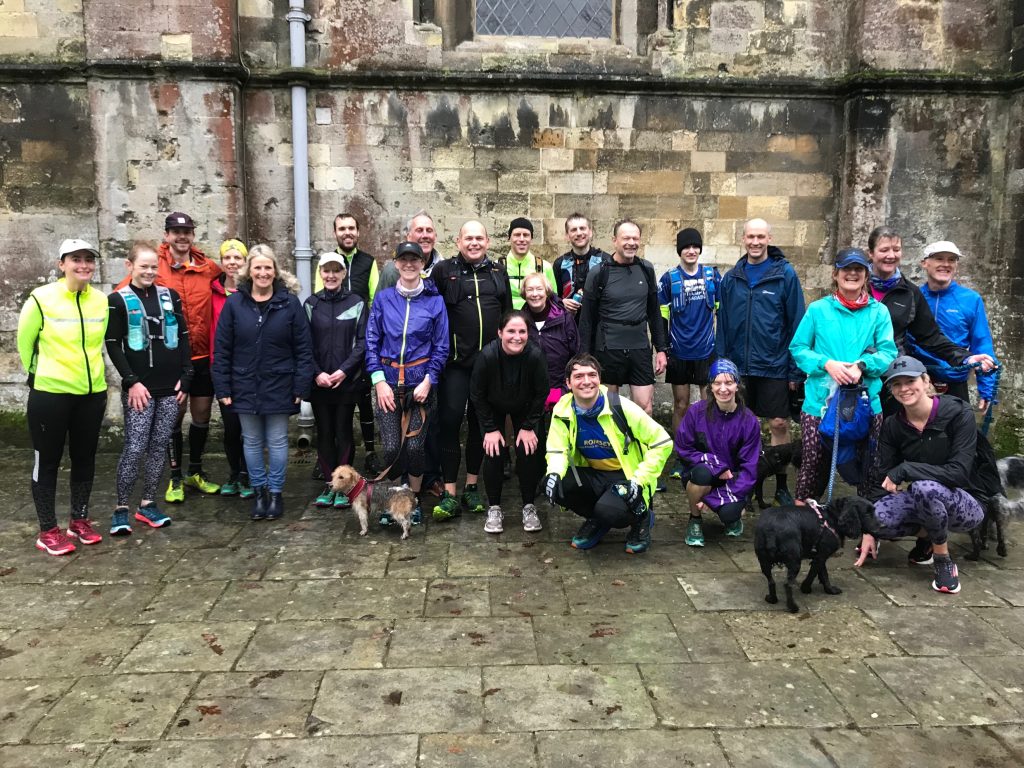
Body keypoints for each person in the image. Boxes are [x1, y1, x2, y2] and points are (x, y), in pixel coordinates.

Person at [856, 356, 986, 594]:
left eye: (911, 381)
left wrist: (906, 469)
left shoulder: (959, 413)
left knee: (923, 487)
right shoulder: (893, 425)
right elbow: (880, 477)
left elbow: (958, 474)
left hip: (966, 503)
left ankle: (943, 560)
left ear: (926, 381)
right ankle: (928, 536)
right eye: (897, 384)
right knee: (876, 519)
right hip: (925, 501)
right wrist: (869, 529)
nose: (904, 389)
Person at [18, 239, 108, 555]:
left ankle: (79, 520)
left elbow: (98, 346)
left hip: (91, 393)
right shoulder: (41, 299)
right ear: (62, 264)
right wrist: (39, 376)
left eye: (88, 260)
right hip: (51, 395)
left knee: (85, 459)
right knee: (48, 461)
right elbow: (24, 345)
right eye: (76, 260)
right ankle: (47, 530)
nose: (83, 265)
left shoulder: (100, 301)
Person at [124, 213, 223, 502]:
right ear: (167, 235)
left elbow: (227, 288)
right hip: (171, 359)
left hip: (202, 355)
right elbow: (124, 293)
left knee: (202, 414)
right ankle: (175, 476)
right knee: (174, 416)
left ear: (193, 235)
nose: (182, 236)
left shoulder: (208, 267)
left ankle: (195, 470)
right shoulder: (156, 266)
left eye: (187, 231)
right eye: (176, 231)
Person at [213, 245, 314, 521]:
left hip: (280, 382)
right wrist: (222, 387)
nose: (263, 272)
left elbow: (303, 348)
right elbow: (222, 348)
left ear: (275, 271)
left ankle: (276, 492)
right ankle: (259, 493)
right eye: (257, 267)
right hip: (243, 383)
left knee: (279, 441)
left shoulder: (289, 303)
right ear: (249, 271)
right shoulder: (235, 304)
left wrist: (300, 387)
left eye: (267, 267)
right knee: (252, 441)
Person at [789, 248, 897, 501]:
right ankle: (805, 524)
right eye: (846, 269)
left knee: (869, 466)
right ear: (835, 274)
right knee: (813, 465)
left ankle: (869, 533)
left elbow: (888, 352)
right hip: (820, 403)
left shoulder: (879, 312)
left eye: (858, 269)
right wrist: (826, 363)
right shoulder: (818, 310)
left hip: (865, 403)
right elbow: (798, 348)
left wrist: (862, 365)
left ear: (866, 275)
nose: (852, 274)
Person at [716, 218, 805, 506]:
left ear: (769, 238)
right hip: (739, 367)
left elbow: (797, 325)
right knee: (741, 427)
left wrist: (795, 369)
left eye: (761, 237)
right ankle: (743, 485)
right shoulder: (732, 278)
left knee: (779, 424)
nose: (755, 242)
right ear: (743, 239)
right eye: (751, 236)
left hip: (774, 364)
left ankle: (780, 485)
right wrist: (722, 368)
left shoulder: (784, 275)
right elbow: (724, 325)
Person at [544, 354, 673, 554]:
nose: (586, 381)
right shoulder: (562, 409)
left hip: (627, 477)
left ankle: (642, 516)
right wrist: (554, 473)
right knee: (554, 483)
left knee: (610, 511)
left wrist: (640, 480)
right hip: (594, 473)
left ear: (599, 379)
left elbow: (662, 442)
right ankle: (597, 520)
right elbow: (557, 449)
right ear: (568, 383)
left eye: (592, 375)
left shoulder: (619, 406)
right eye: (578, 376)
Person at [106, 241, 193, 535]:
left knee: (159, 445)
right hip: (139, 389)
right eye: (144, 266)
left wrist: (187, 374)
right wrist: (131, 381)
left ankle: (147, 504)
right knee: (135, 446)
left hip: (170, 387)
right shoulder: (118, 300)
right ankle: (121, 508)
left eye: (154, 266)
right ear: (130, 266)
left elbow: (182, 336)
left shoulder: (171, 296)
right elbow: (112, 345)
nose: (149, 271)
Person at [429, 221, 513, 520]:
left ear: (488, 242)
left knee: (482, 423)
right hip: (455, 364)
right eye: (469, 238)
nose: (474, 243)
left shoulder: (497, 273)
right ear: (458, 240)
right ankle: (450, 491)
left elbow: (507, 318)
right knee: (450, 422)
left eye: (479, 238)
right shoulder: (443, 271)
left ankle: (472, 485)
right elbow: (431, 313)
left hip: (489, 365)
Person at [865, 225, 993, 416]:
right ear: (871, 253)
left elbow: (930, 337)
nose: (891, 255)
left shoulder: (910, 293)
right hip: (854, 374)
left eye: (896, 249)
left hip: (894, 378)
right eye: (884, 250)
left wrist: (965, 357)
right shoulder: (856, 285)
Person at [365, 241, 448, 525]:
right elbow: (372, 340)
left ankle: (411, 501)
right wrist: (378, 380)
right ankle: (394, 500)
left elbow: (441, 346)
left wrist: (429, 380)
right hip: (387, 382)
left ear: (423, 264)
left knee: (414, 448)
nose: (410, 264)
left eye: (415, 259)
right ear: (396, 264)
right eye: (404, 260)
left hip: (420, 384)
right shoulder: (384, 299)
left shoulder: (435, 301)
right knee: (390, 448)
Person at [577, 219, 667, 415]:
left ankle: (640, 446)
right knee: (610, 410)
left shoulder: (646, 269)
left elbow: (654, 312)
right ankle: (615, 446)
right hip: (608, 348)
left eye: (635, 238)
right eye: (626, 238)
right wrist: (584, 356)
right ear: (614, 241)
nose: (631, 243)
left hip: (640, 346)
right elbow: (587, 319)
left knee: (644, 408)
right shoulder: (599, 272)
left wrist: (661, 349)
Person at [471, 311, 549, 534]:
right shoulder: (487, 356)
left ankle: (528, 505)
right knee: (493, 450)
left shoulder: (535, 356)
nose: (517, 337)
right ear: (500, 333)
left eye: (522, 331)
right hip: (493, 405)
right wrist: (490, 428)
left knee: (528, 448)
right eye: (511, 331)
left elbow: (541, 392)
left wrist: (527, 426)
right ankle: (494, 507)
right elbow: (477, 394)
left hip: (525, 407)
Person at [674, 359, 761, 547]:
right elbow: (683, 448)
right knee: (702, 473)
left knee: (730, 514)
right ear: (710, 387)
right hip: (701, 473)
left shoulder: (749, 420)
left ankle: (732, 513)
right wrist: (716, 465)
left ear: (737, 385)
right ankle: (695, 520)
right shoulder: (696, 412)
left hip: (733, 480)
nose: (723, 389)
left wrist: (713, 499)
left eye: (729, 383)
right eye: (717, 383)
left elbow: (750, 468)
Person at [317, 213, 379, 472]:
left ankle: (371, 452)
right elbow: (317, 297)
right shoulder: (327, 263)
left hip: (360, 337)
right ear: (335, 233)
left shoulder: (368, 261)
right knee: (331, 407)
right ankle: (328, 460)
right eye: (342, 228)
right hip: (334, 338)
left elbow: (374, 299)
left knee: (364, 399)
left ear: (358, 232)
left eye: (351, 228)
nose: (347, 232)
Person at [306, 252, 368, 509]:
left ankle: (344, 487)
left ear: (344, 274)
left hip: (346, 381)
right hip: (319, 382)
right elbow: (304, 344)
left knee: (343, 432)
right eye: (326, 270)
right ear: (320, 273)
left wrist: (343, 371)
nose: (331, 275)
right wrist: (317, 372)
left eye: (336, 270)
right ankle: (329, 485)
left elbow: (363, 342)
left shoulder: (357, 302)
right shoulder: (311, 304)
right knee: (325, 433)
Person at [658, 227, 721, 478]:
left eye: (695, 246)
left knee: (709, 406)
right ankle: (682, 456)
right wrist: (662, 349)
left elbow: (722, 313)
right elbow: (661, 317)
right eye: (686, 247)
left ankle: (707, 453)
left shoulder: (712, 276)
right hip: (679, 352)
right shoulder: (668, 279)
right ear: (680, 251)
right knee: (681, 405)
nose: (691, 251)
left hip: (706, 351)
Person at [912, 240, 997, 410]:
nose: (945, 264)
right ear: (924, 263)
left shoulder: (970, 300)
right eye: (939, 259)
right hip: (917, 380)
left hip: (954, 381)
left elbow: (982, 343)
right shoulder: (913, 297)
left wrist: (987, 389)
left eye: (951, 260)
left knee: (958, 434)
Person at [210, 239, 253, 499]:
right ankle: (233, 472)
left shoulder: (251, 293)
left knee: (248, 427)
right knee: (230, 427)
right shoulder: (212, 291)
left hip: (247, 368)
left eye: (238, 258)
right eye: (228, 258)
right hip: (222, 365)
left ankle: (248, 474)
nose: (233, 263)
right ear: (222, 262)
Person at [521, 272, 580, 412]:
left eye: (539, 289)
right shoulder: (520, 321)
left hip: (561, 391)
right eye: (530, 289)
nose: (535, 294)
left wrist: (564, 389)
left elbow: (576, 356)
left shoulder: (564, 318)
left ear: (547, 291)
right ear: (524, 293)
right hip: (529, 394)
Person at [552, 212, 609, 320]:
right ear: (567, 236)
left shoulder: (605, 261)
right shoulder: (560, 264)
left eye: (582, 228)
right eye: (573, 230)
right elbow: (554, 296)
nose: (579, 233)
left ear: (590, 232)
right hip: (569, 324)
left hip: (598, 325)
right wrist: (562, 302)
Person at [378, 210, 445, 291]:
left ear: (435, 237)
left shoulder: (445, 269)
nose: (425, 235)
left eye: (429, 230)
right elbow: (380, 302)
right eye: (419, 230)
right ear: (409, 237)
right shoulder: (392, 272)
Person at [502, 217, 557, 310]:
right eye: (517, 235)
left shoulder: (545, 267)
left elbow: (554, 299)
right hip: (507, 320)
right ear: (509, 238)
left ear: (531, 238)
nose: (522, 239)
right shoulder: (498, 267)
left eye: (526, 235)